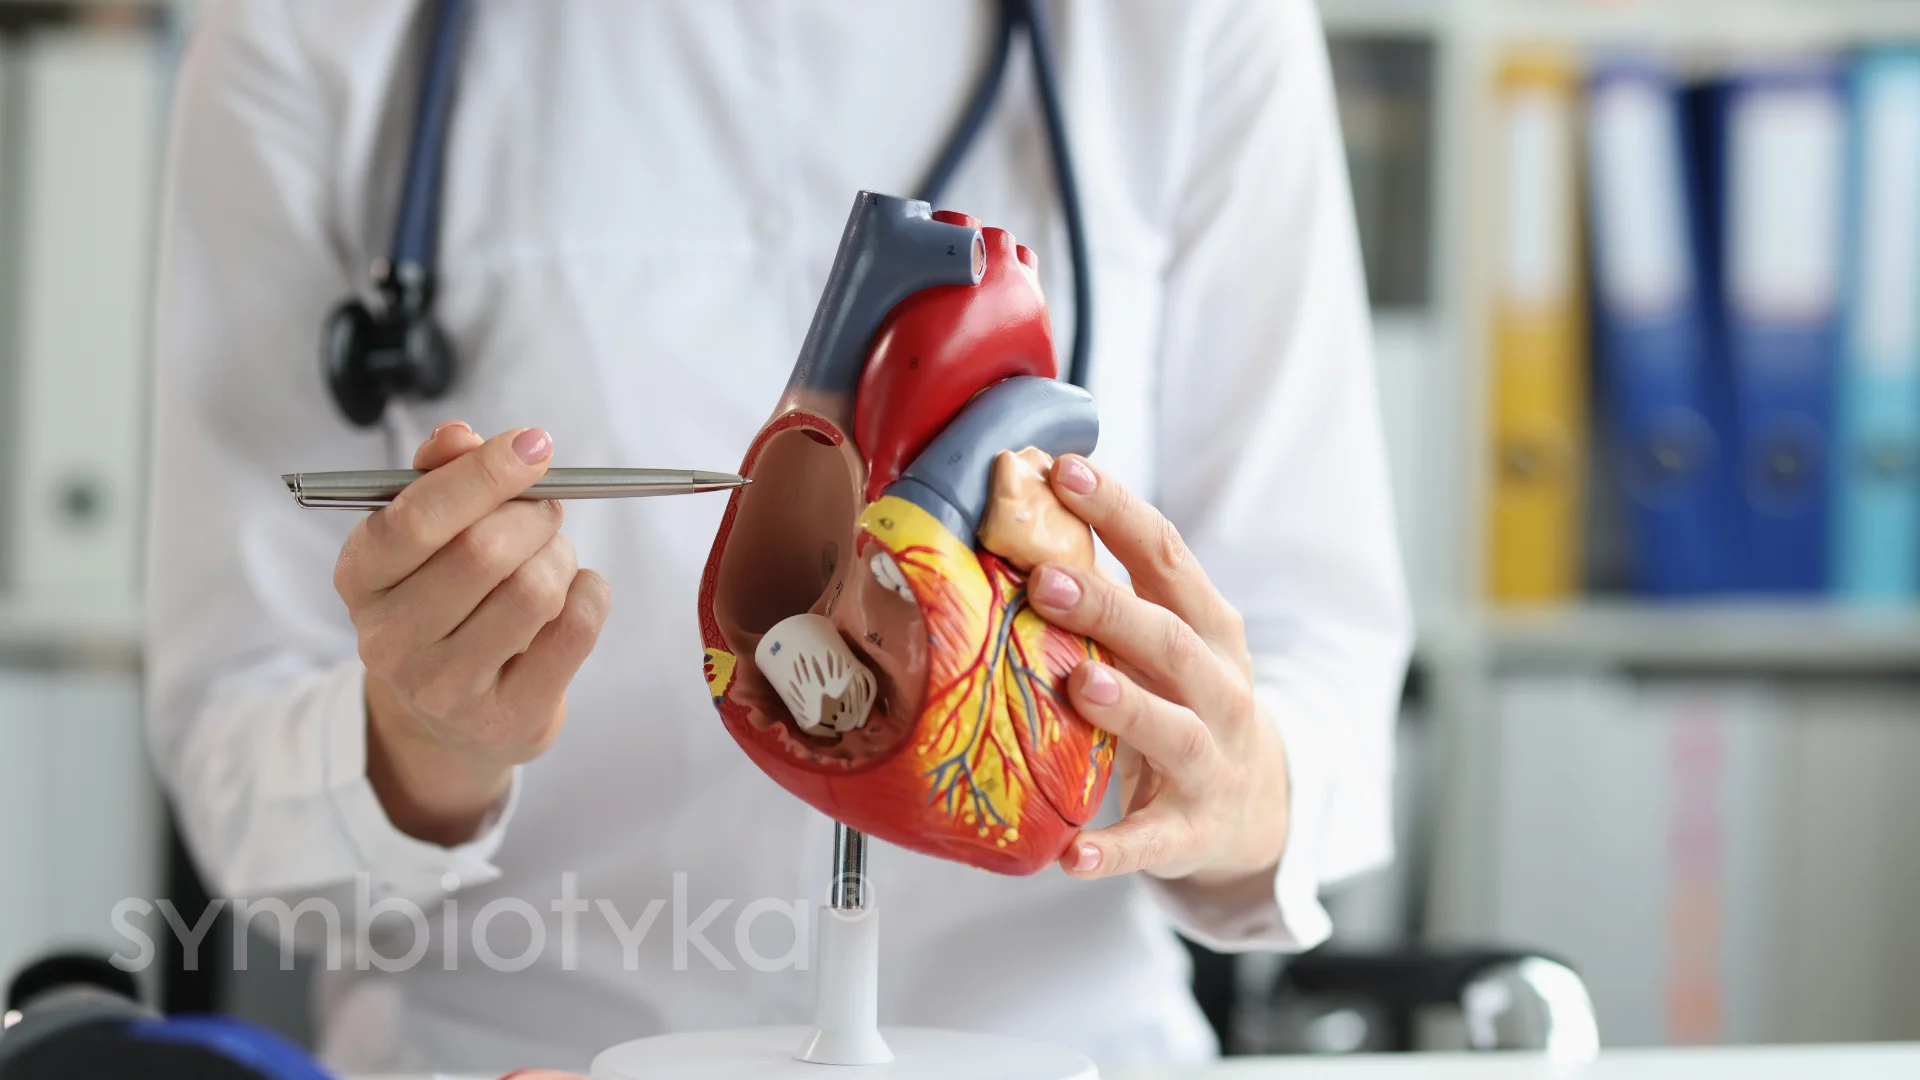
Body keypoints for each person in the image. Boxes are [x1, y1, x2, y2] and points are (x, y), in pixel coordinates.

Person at [146, 0, 1411, 1073]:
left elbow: (1324, 660)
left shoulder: (1191, 26)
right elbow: (237, 739)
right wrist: (419, 749)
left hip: (1054, 1041)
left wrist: (1238, 779)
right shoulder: (311, 31)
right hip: (525, 1047)